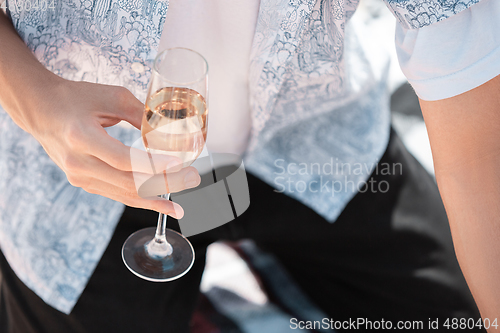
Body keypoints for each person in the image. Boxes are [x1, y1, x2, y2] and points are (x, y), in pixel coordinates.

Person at [0, 0, 498, 332]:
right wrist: (34, 100)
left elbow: (480, 153)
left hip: (312, 147)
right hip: (95, 181)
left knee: (459, 319)